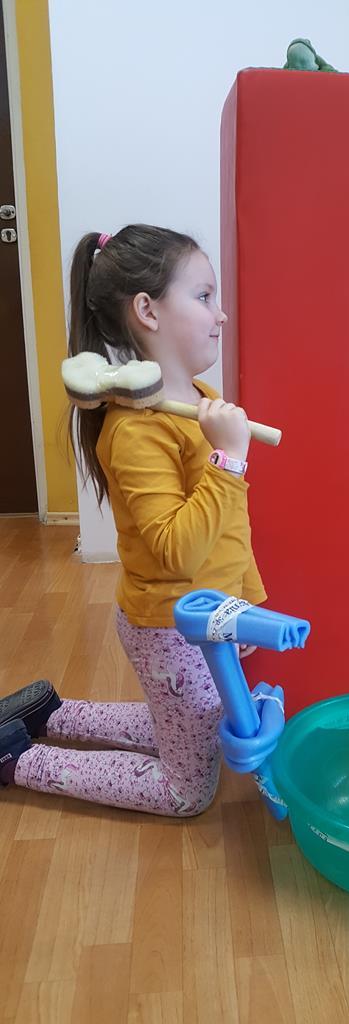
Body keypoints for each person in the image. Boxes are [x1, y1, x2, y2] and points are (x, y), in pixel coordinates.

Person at [0, 225, 266, 816]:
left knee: (194, 723)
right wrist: (229, 460)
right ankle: (18, 760)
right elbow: (177, 549)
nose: (220, 314)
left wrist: (242, 607)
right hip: (170, 627)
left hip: (203, 619)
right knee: (187, 791)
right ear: (147, 310)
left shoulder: (199, 398)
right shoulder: (137, 430)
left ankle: (52, 715)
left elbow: (229, 530)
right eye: (204, 296)